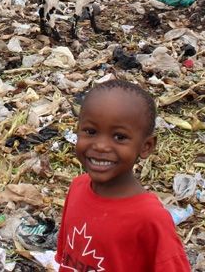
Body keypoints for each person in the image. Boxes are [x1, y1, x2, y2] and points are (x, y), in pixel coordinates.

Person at [56, 79, 190, 271]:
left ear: (146, 146)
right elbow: (67, 259)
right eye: (90, 131)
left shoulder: (149, 219)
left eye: (119, 137)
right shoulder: (77, 187)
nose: (101, 145)